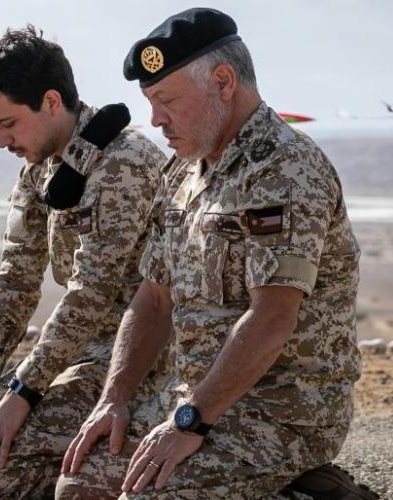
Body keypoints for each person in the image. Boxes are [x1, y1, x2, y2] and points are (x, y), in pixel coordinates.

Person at [57, 8, 376, 499]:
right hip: (193, 398)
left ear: (223, 82)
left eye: (167, 100)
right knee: (77, 487)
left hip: (281, 408)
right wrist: (114, 398)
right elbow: (153, 299)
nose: (155, 119)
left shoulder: (284, 168)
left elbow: (272, 317)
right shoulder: (183, 172)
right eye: (150, 102)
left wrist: (190, 423)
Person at [0, 25, 168, 499]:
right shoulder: (41, 169)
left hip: (137, 361)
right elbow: (15, 277)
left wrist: (24, 391)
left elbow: (90, 294)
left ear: (52, 102)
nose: (1, 141)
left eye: (8, 123)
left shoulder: (122, 164)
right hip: (79, 355)